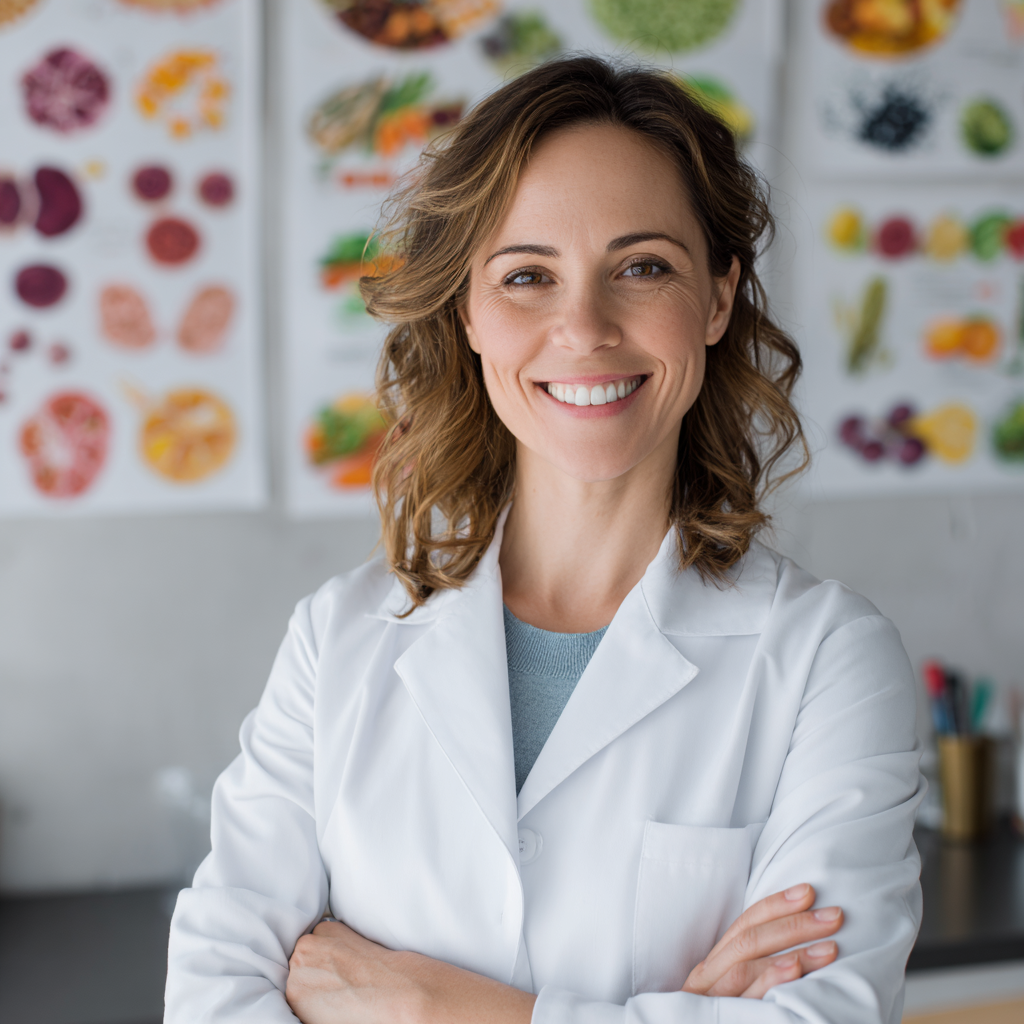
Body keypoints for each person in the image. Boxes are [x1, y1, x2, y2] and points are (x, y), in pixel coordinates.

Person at [165, 57, 923, 1024]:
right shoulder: (339, 641)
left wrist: (435, 1010)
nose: (583, 327)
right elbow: (212, 990)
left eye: (643, 267)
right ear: (471, 313)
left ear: (720, 298)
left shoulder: (827, 659)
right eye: (527, 276)